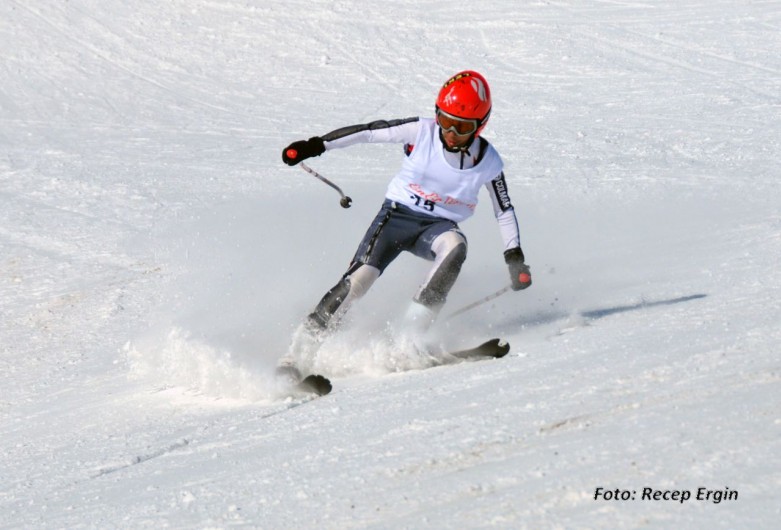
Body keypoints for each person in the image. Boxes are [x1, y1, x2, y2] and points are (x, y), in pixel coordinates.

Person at [276, 70, 531, 383]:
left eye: (462, 127)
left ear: (481, 125)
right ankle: (295, 357)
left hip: (436, 228)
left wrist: (514, 257)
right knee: (358, 281)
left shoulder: (489, 161)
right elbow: (369, 132)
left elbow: (503, 210)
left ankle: (408, 340)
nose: (450, 132)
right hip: (396, 217)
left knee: (456, 247)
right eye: (445, 120)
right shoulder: (422, 131)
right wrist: (316, 145)